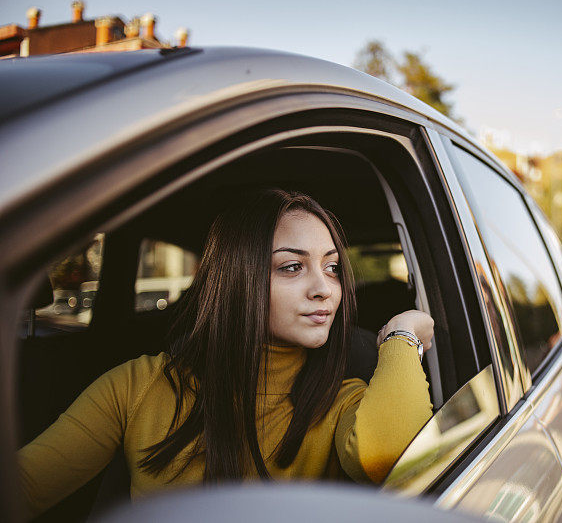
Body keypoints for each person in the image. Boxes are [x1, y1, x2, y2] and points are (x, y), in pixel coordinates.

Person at [17, 190, 434, 519]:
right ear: (239, 279)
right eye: (291, 267)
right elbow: (23, 492)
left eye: (332, 268)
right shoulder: (137, 386)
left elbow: (387, 456)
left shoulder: (342, 399)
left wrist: (403, 334)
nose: (324, 288)